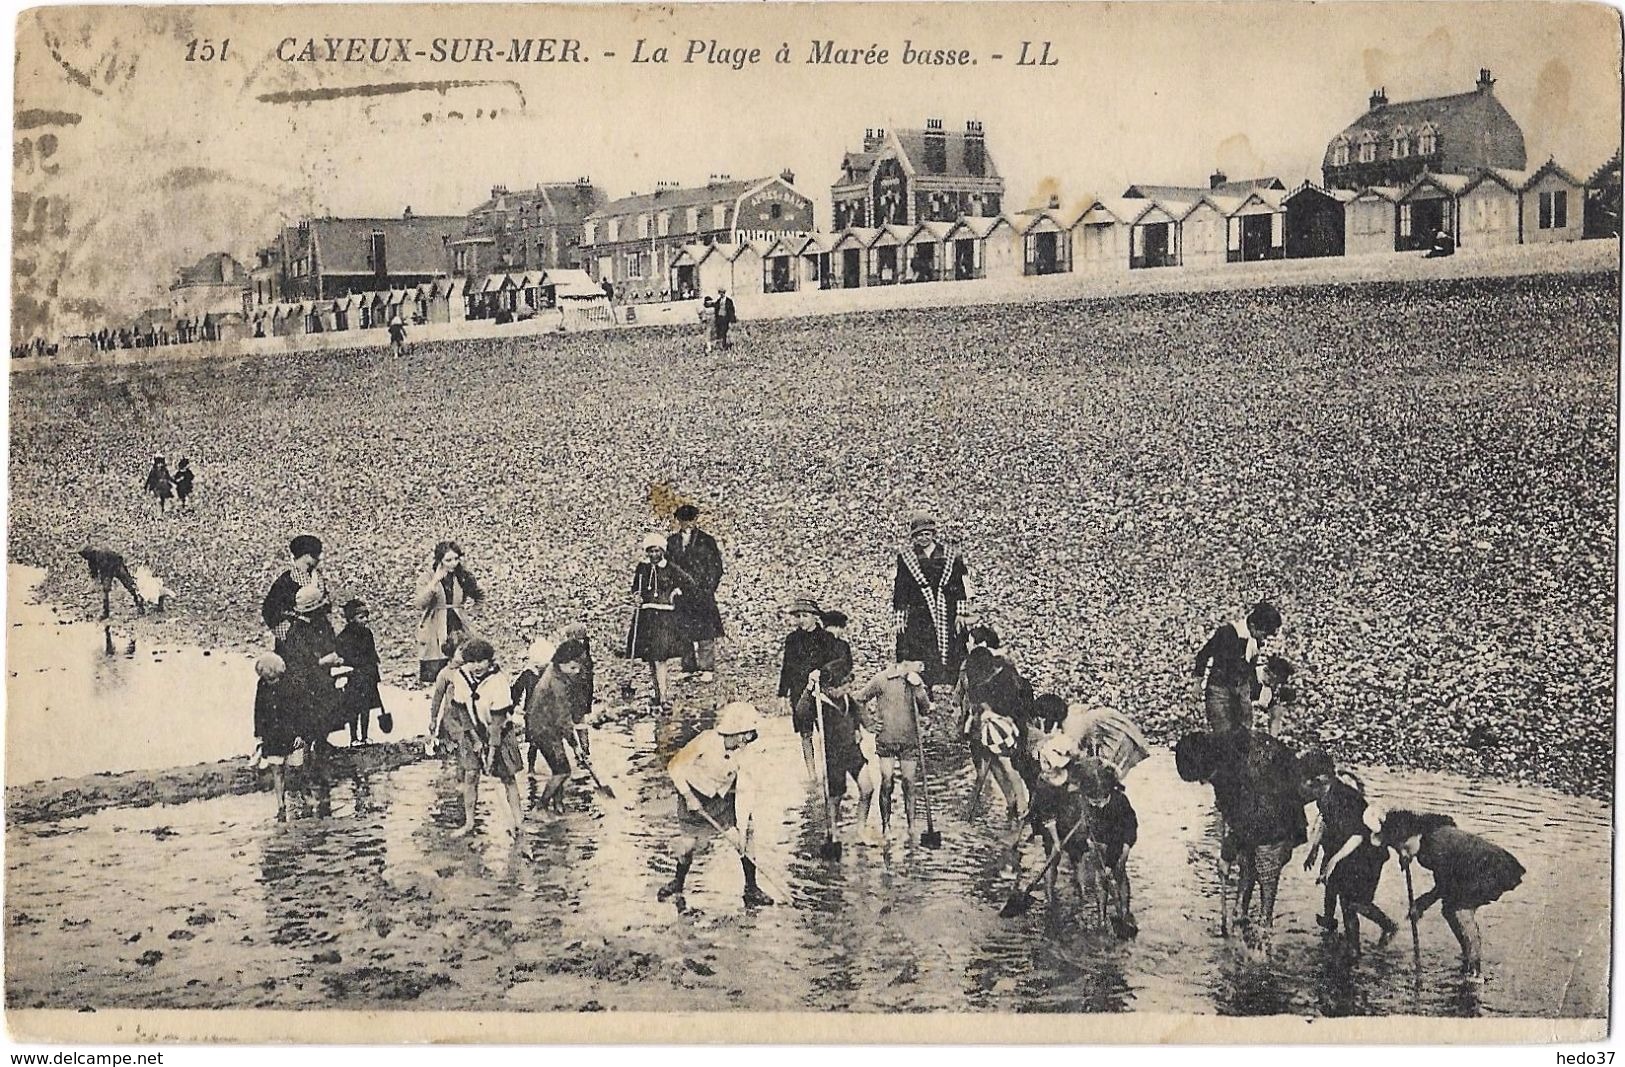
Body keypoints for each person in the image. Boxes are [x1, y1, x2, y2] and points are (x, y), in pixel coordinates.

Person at [1368, 809, 1525, 976]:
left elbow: (1444, 885)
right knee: (1450, 909)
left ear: (1413, 835)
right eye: (1398, 851)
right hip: (1476, 870)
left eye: (1404, 848)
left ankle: (1474, 971)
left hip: (1492, 869)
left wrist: (1422, 904)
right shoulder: (1428, 842)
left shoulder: (1436, 844)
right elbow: (1444, 882)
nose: (1403, 854)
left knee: (1460, 911)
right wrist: (1422, 902)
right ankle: (1468, 957)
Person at [660, 702, 775, 909]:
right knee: (688, 847)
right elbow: (674, 766)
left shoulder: (746, 752)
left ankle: (751, 888)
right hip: (693, 794)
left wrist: (739, 832)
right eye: (745, 734)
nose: (746, 740)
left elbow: (746, 791)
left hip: (722, 798)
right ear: (734, 731)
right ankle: (678, 883)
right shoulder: (705, 741)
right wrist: (688, 796)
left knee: (746, 837)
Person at [1299, 747, 1399, 957]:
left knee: (1352, 902)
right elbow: (1325, 821)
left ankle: (1382, 929)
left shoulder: (1342, 797)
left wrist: (1334, 859)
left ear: (1320, 778)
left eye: (1306, 780)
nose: (1303, 785)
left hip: (1367, 852)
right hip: (1345, 848)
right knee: (1332, 885)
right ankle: (1333, 928)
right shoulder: (1323, 795)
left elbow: (1358, 834)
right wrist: (1315, 848)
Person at [432, 638, 513, 839]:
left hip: (477, 721)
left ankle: (513, 822)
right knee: (468, 766)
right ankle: (467, 813)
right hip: (456, 720)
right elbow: (437, 697)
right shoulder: (447, 674)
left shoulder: (482, 675)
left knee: (486, 767)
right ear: (452, 653)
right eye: (461, 651)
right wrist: (433, 719)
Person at [279, 583, 345, 818]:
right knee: (306, 737)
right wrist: (323, 662)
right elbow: (298, 668)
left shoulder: (321, 626)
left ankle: (320, 784)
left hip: (322, 687)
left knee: (320, 734)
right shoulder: (296, 634)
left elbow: (332, 645)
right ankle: (306, 786)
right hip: (305, 692)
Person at [891, 510, 974, 693]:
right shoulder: (906, 558)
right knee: (921, 646)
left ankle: (954, 686)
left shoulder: (950, 555)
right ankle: (924, 688)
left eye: (927, 534)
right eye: (919, 535)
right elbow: (901, 589)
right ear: (914, 537)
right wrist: (899, 618)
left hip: (947, 608)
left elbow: (959, 585)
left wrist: (961, 613)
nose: (923, 538)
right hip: (920, 612)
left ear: (934, 534)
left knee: (954, 644)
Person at [796, 659, 874, 847]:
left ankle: (861, 828)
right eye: (844, 686)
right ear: (829, 689)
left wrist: (859, 728)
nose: (848, 689)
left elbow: (857, 714)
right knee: (835, 797)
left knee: (867, 788)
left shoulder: (846, 698)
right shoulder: (818, 702)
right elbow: (801, 712)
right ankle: (833, 832)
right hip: (834, 756)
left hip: (852, 751)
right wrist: (808, 688)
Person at [855, 660, 929, 840]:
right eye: (916, 663)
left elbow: (925, 709)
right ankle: (885, 826)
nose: (921, 667)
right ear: (904, 663)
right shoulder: (882, 679)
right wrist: (869, 723)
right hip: (886, 741)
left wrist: (918, 688)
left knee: (909, 782)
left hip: (909, 741)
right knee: (887, 782)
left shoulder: (915, 682)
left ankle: (912, 827)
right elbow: (859, 699)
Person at [961, 646, 1032, 825]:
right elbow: (978, 706)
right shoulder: (976, 683)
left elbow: (1018, 705)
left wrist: (1006, 719)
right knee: (993, 767)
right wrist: (986, 715)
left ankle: (1022, 805)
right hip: (987, 727)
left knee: (1009, 764)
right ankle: (1011, 801)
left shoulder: (1007, 677)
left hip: (1010, 725)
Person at [626, 533, 696, 707]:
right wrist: (636, 596)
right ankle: (657, 694)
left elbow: (689, 583)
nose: (653, 555)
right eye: (650, 551)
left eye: (656, 551)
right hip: (646, 616)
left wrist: (676, 592)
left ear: (662, 551)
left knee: (660, 657)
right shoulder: (642, 569)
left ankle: (664, 696)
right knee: (651, 657)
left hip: (664, 617)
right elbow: (636, 587)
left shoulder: (671, 568)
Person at [522, 638, 591, 813]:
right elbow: (563, 719)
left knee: (557, 768)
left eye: (578, 668)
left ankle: (558, 806)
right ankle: (541, 807)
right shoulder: (557, 683)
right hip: (544, 730)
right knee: (563, 771)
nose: (576, 672)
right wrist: (576, 746)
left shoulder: (554, 671)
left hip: (546, 726)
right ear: (561, 663)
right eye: (573, 668)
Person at [1193, 601, 1282, 734]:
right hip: (1220, 691)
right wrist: (1198, 683)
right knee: (1224, 736)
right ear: (1252, 626)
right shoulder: (1226, 633)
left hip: (1241, 691)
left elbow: (1250, 669)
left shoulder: (1255, 641)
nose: (1264, 639)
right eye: (1263, 634)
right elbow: (1203, 655)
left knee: (1244, 735)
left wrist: (1262, 694)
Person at [780, 597, 842, 781]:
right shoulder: (792, 640)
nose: (800, 620)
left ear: (816, 617)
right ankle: (812, 774)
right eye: (798, 616)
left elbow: (836, 666)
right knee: (805, 733)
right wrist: (782, 695)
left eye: (805, 616)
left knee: (827, 733)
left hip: (823, 691)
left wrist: (823, 675)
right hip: (799, 692)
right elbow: (787, 667)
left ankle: (829, 772)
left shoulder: (827, 638)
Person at [666, 504, 724, 685]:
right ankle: (688, 667)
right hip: (682, 593)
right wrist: (673, 588)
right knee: (684, 630)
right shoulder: (672, 542)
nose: (688, 524)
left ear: (696, 519)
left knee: (706, 630)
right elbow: (668, 567)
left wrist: (708, 589)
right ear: (678, 521)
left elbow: (716, 568)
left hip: (702, 592)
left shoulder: (707, 541)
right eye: (683, 521)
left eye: (691, 520)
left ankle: (706, 668)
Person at [415, 541, 483, 683]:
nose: (453, 564)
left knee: (462, 662)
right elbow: (420, 603)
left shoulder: (463, 576)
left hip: (458, 623)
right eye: (448, 560)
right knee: (437, 664)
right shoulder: (427, 577)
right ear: (439, 560)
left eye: (456, 559)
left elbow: (479, 595)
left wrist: (473, 613)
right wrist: (434, 582)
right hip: (435, 623)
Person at [261, 535, 327, 650]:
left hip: (317, 638)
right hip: (293, 642)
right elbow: (269, 610)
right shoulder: (286, 580)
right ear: (306, 556)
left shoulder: (318, 578)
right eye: (316, 555)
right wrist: (286, 633)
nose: (320, 558)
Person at [252, 653, 296, 821]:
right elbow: (258, 710)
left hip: (288, 732)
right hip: (272, 734)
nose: (267, 678)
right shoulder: (261, 685)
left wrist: (299, 732)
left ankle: (298, 798)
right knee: (277, 770)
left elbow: (296, 710)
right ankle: (281, 804)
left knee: (294, 767)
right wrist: (259, 734)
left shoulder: (288, 684)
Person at [335, 599, 383, 746]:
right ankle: (354, 738)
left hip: (367, 675)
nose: (365, 620)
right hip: (353, 677)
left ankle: (365, 736)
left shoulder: (368, 634)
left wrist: (375, 673)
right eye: (361, 617)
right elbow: (343, 657)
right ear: (350, 619)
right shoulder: (343, 637)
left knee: (366, 708)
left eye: (366, 616)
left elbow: (372, 654)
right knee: (353, 709)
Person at [78, 544, 146, 620]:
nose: (85, 558)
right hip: (108, 569)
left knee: (129, 585)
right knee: (105, 590)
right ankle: (105, 612)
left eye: (85, 555)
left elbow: (105, 568)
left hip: (117, 566)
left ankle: (139, 603)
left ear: (89, 552)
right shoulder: (91, 559)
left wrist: (104, 579)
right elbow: (94, 572)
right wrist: (96, 581)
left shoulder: (101, 553)